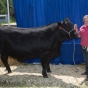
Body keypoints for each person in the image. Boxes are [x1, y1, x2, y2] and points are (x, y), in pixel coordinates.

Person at [74, 15, 88, 81]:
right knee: (86, 60)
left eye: (87, 21)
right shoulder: (82, 27)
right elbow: (79, 36)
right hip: (83, 46)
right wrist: (76, 29)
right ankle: (86, 72)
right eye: (85, 21)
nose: (86, 22)